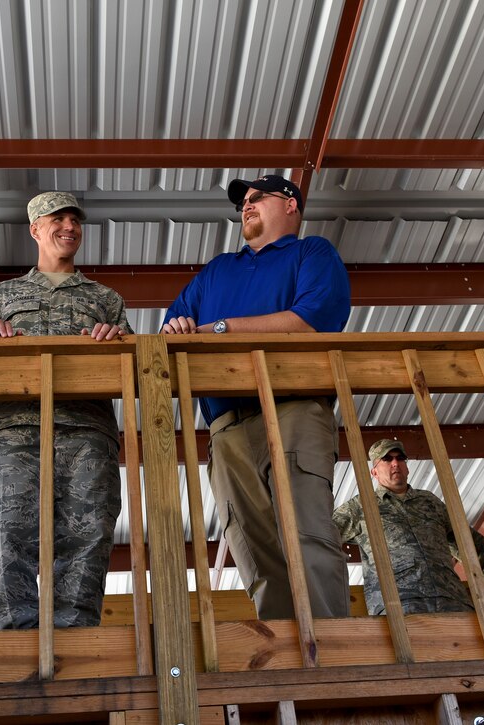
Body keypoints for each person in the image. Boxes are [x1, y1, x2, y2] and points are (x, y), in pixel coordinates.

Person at [161, 174, 350, 620]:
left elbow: (312, 320)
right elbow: (173, 331)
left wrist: (220, 328)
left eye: (255, 198)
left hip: (293, 407)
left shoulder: (312, 252)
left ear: (289, 204)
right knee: (253, 549)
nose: (246, 205)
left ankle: (333, 656)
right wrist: (181, 330)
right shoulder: (217, 270)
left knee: (307, 533)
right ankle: (286, 659)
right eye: (242, 202)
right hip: (225, 426)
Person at [0, 191, 130, 629]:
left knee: (88, 534)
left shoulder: (106, 298)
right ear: (35, 229)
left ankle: (74, 638)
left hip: (87, 430)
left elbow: (133, 364)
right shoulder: (2, 296)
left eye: (75, 220)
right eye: (57, 218)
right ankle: (16, 638)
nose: (69, 227)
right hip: (15, 429)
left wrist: (115, 342)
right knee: (4, 531)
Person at [333, 439, 484, 615]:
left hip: (451, 599)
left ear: (407, 466)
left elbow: (469, 544)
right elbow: (324, 537)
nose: (395, 463)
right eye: (387, 459)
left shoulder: (430, 502)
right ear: (374, 472)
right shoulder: (361, 506)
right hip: (400, 604)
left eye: (400, 458)